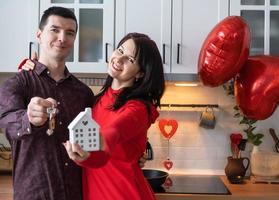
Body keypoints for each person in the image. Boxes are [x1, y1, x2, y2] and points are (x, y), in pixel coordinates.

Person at [0, 7, 94, 200]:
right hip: (33, 194)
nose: (62, 38)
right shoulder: (17, 84)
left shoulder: (84, 93)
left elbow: (95, 140)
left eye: (70, 33)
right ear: (39, 34)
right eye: (55, 30)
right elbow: (7, 123)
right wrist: (28, 119)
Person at [64, 32, 165, 200]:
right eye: (120, 50)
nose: (119, 59)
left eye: (130, 59)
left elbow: (115, 131)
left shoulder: (138, 109)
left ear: (140, 73)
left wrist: (88, 156)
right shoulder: (98, 101)